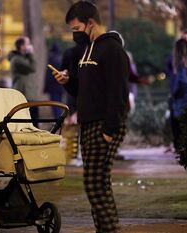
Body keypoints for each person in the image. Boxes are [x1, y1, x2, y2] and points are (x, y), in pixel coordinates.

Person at [53, 1, 129, 232]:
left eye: (76, 29)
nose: (74, 35)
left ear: (91, 23)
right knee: (100, 185)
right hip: (87, 124)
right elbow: (86, 90)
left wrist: (108, 131)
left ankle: (109, 230)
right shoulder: (88, 49)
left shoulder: (112, 50)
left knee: (93, 184)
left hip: (103, 124)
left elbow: (118, 92)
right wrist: (68, 83)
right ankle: (107, 228)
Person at [8, 36, 39, 125]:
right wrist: (31, 54)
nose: (30, 46)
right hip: (24, 94)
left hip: (29, 93)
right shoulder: (17, 59)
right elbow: (33, 67)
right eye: (28, 44)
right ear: (22, 46)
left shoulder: (23, 58)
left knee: (33, 121)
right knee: (30, 121)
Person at [44, 43, 64, 118]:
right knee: (60, 104)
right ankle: (61, 119)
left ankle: (58, 120)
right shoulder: (61, 58)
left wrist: (46, 87)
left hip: (53, 87)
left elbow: (48, 75)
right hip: (60, 86)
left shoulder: (51, 59)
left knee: (55, 105)